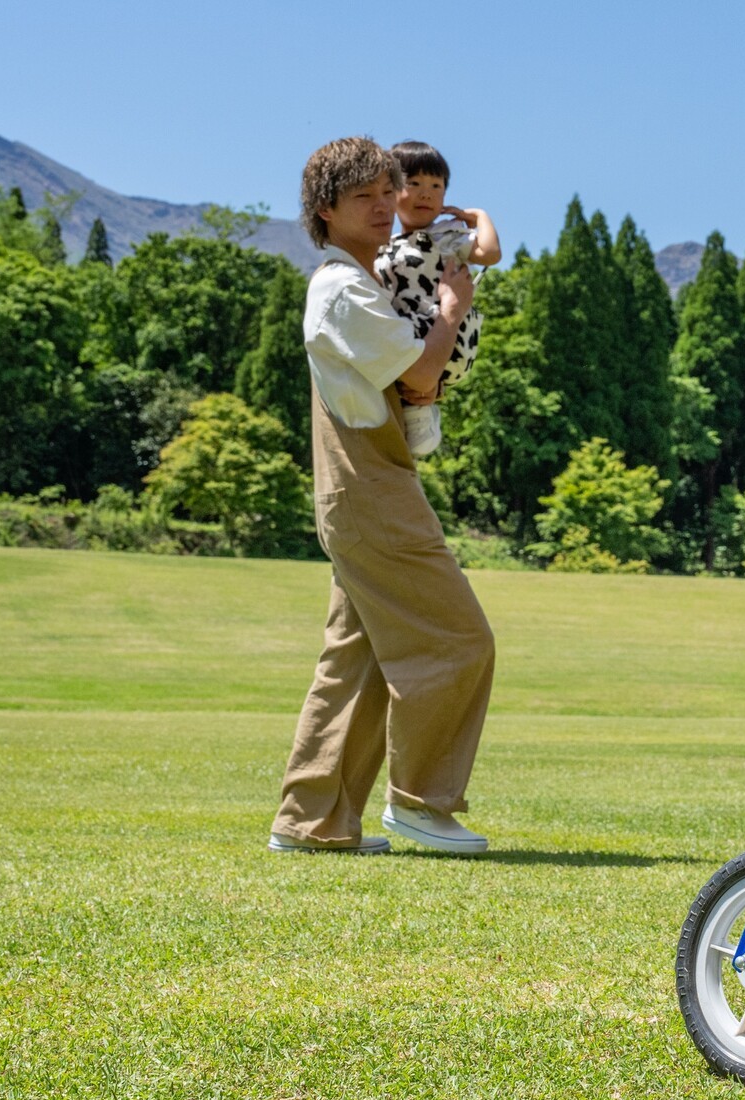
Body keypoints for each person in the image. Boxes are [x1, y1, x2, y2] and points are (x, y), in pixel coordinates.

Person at [267, 136, 495, 856]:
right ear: (325, 212)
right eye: (361, 195)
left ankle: (312, 821)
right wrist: (452, 306)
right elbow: (422, 378)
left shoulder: (359, 281)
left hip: (360, 487)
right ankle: (421, 801)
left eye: (384, 191)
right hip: (371, 488)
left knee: (356, 664)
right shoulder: (343, 288)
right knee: (459, 639)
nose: (381, 205)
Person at [372, 140, 501, 458]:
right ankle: (417, 416)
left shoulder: (448, 235)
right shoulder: (384, 245)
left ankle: (420, 419)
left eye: (435, 185)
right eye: (413, 183)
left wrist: (479, 216)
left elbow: (490, 253)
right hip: (412, 342)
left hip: (445, 339)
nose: (425, 192)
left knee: (415, 404)